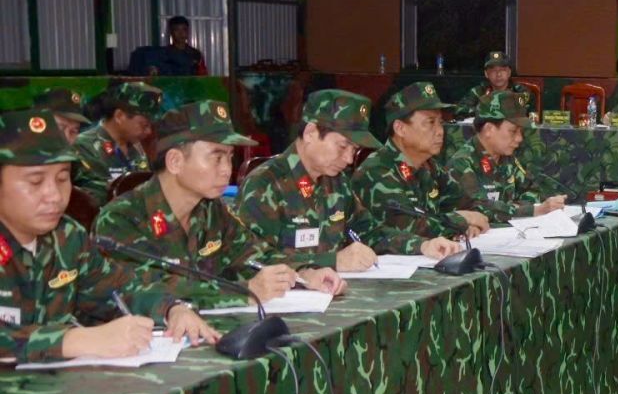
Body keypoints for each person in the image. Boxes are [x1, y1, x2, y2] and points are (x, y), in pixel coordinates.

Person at [0, 108, 216, 362]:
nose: (54, 195)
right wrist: (75, 340)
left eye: (62, 178)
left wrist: (172, 308)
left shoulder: (67, 236)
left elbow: (119, 287)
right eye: (35, 182)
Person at [93, 101, 343, 306]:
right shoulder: (121, 220)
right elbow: (147, 291)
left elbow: (253, 254)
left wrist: (304, 272)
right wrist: (245, 292)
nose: (227, 169)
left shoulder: (211, 210)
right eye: (217, 157)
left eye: (230, 157)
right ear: (175, 161)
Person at [236, 89, 384, 274]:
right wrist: (333, 261)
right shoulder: (264, 185)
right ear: (310, 133)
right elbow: (250, 260)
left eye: (354, 150)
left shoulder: (337, 182)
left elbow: (369, 232)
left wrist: (417, 245)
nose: (348, 159)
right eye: (342, 146)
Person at [349, 82, 488, 257]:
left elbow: (468, 204)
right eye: (430, 122)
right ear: (400, 128)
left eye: (440, 122)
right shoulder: (376, 171)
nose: (440, 131)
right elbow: (410, 227)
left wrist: (467, 224)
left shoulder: (428, 166)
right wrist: (461, 220)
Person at [444, 91, 567, 221]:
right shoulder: (461, 163)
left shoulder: (506, 157)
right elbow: (478, 208)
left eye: (521, 131)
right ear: (489, 129)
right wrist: (533, 210)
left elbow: (532, 189)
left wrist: (514, 208)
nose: (519, 138)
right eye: (513, 131)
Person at [74, 81, 163, 206]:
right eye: (144, 125)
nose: (148, 132)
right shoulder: (85, 146)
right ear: (119, 116)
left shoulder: (137, 148)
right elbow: (92, 197)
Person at [126, 15, 208, 76]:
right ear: (171, 32)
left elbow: (203, 77)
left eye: (184, 29)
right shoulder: (161, 54)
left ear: (188, 32)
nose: (181, 33)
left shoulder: (196, 54)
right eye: (176, 29)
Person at [462, 51, 534, 111]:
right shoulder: (478, 91)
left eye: (502, 70)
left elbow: (530, 114)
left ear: (509, 72)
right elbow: (461, 109)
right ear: (486, 74)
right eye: (493, 70)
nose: (498, 74)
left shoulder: (520, 91)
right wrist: (480, 110)